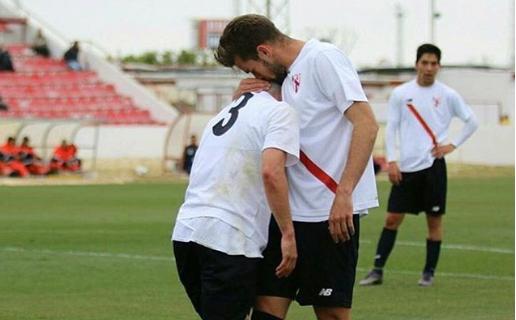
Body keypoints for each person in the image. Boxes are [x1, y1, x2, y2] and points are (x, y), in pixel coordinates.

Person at [215, 14, 379, 320]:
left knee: (331, 314)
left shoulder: (323, 59)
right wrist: (240, 97)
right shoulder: (283, 78)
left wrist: (345, 194)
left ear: (264, 51)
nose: (254, 75)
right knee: (265, 308)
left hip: (328, 212)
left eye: (252, 69)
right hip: (286, 215)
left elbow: (366, 124)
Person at [172, 85, 300, 319]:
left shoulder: (221, 115)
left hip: (186, 233)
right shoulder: (279, 111)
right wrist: (288, 234)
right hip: (229, 237)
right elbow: (271, 173)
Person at [359, 44, 479, 287]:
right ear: (416, 64)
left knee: (434, 221)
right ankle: (377, 270)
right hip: (406, 168)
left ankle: (428, 272)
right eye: (424, 62)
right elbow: (391, 128)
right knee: (392, 218)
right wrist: (392, 160)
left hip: (434, 167)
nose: (429, 68)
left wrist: (452, 145)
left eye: (433, 63)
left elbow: (471, 121)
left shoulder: (447, 94)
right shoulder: (401, 94)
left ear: (439, 66)